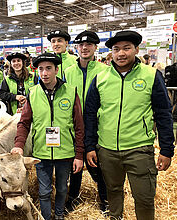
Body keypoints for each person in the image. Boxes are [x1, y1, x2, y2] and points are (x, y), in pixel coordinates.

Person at [84, 30, 175, 220]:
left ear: (136, 49)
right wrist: (90, 146)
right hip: (107, 150)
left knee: (144, 198)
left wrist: (167, 149)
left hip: (139, 149)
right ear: (111, 53)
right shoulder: (101, 78)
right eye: (116, 49)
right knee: (113, 193)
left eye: (126, 48)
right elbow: (90, 114)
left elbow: (164, 113)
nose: (121, 53)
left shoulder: (151, 75)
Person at [11, 53, 84, 220]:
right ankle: (46, 217)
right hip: (42, 152)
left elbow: (79, 127)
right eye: (41, 69)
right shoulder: (33, 93)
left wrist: (79, 154)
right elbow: (24, 123)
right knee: (44, 191)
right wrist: (19, 144)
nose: (44, 73)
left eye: (49, 69)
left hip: (65, 152)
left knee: (62, 188)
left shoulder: (71, 92)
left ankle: (59, 216)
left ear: (56, 70)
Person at [63, 31, 108, 213]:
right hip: (74, 126)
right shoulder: (67, 72)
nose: (84, 47)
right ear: (76, 48)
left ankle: (104, 199)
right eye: (81, 45)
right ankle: (73, 198)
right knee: (75, 164)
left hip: (97, 126)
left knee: (100, 165)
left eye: (89, 44)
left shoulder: (104, 71)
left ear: (95, 47)